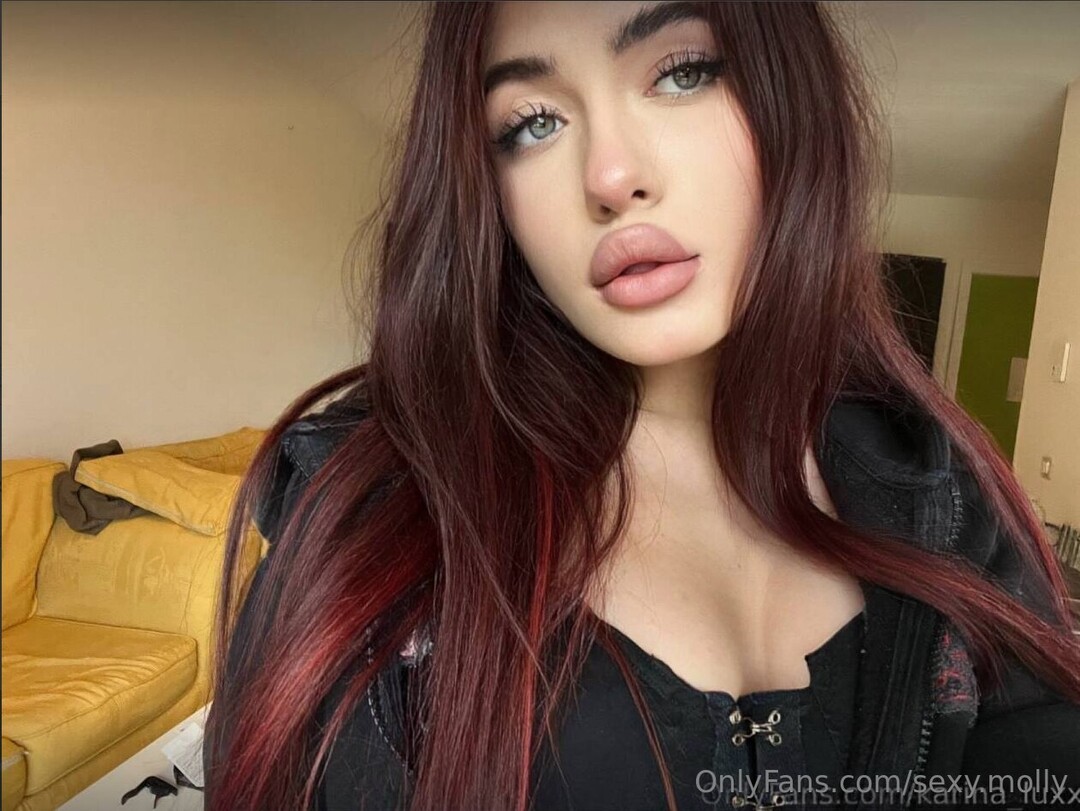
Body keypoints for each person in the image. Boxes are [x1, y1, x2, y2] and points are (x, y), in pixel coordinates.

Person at [202, 3, 1080, 810]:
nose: (611, 176)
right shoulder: (373, 519)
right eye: (533, 123)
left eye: (682, 72)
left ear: (789, 94)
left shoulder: (944, 493)